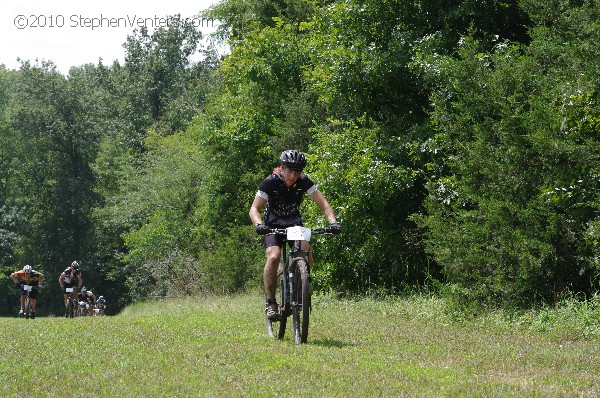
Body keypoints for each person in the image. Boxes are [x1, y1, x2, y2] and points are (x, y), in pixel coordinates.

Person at [249, 149, 341, 320]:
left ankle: (302, 286)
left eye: (297, 172)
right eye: (290, 171)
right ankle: (270, 303)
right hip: (272, 226)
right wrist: (259, 224)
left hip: (294, 224)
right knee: (274, 256)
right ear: (282, 168)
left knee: (305, 247)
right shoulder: (271, 181)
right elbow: (254, 209)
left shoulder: (304, 181)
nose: (293, 176)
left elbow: (324, 204)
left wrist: (333, 222)